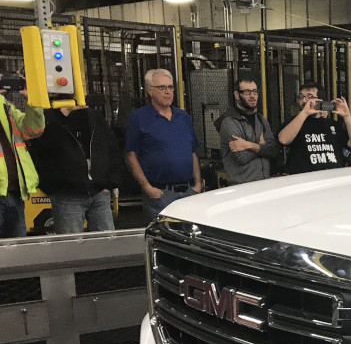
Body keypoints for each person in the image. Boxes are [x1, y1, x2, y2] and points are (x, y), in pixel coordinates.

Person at [28, 97, 121, 234]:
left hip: (99, 191)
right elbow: (41, 148)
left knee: (107, 242)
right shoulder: (49, 118)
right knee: (71, 245)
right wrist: (62, 114)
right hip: (66, 194)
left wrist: (110, 183)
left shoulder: (93, 117)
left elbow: (111, 149)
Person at [125, 68, 201, 221]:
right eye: (162, 87)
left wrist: (198, 185)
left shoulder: (183, 117)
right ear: (150, 91)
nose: (168, 92)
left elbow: (192, 152)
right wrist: (147, 188)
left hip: (188, 192)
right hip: (160, 194)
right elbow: (130, 156)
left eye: (170, 87)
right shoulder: (138, 118)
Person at [278, 83, 351, 174]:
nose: (305, 100)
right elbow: (283, 140)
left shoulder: (332, 124)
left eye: (310, 97)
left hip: (332, 177)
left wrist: (347, 116)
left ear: (321, 101)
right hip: (303, 180)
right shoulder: (294, 122)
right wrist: (305, 113)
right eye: (301, 97)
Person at [0, 79, 45, 238]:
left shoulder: (6, 107)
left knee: (17, 253)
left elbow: (33, 130)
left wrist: (32, 100)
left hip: (14, 193)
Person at [215, 74, 278, 184]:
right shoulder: (229, 122)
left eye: (255, 91)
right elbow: (242, 157)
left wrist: (249, 145)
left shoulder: (261, 119)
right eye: (247, 92)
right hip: (242, 187)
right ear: (237, 95)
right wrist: (262, 145)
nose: (252, 96)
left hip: (264, 183)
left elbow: (273, 150)